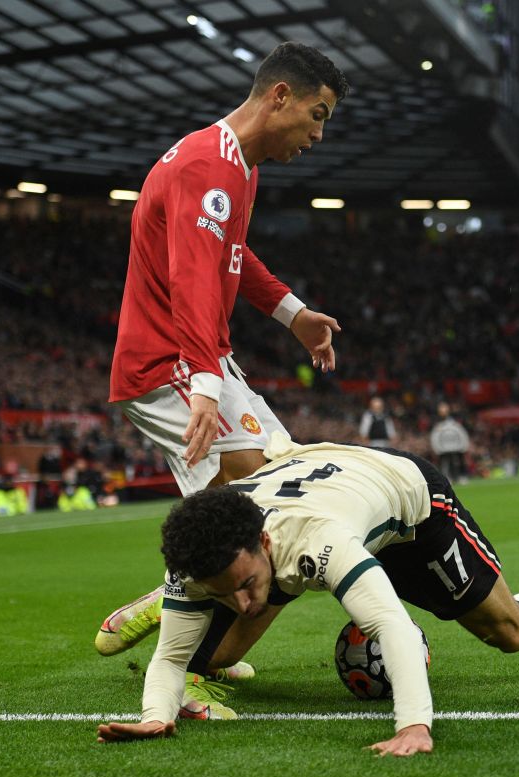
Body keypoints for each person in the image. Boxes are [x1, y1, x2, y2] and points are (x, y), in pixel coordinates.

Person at [96, 432, 519, 756]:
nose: (242, 603)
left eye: (243, 586)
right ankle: (179, 603)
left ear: (262, 544)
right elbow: (171, 659)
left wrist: (413, 725)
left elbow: (393, 626)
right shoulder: (202, 556)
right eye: (224, 593)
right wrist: (155, 715)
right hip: (305, 503)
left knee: (508, 632)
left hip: (408, 505)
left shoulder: (318, 541)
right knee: (215, 655)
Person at [97, 43, 350, 680]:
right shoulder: (205, 165)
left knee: (265, 502)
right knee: (269, 509)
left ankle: (182, 623)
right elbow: (191, 281)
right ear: (280, 96)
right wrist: (205, 386)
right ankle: (181, 663)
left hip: (199, 360)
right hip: (170, 364)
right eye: (317, 115)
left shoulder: (237, 165)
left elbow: (233, 256)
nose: (318, 135)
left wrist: (295, 314)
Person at [429, 401, 470, 483]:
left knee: (459, 462)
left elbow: (462, 434)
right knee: (445, 464)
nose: (443, 411)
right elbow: (434, 437)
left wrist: (464, 445)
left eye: (444, 408)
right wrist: (436, 448)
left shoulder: (455, 422)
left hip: (457, 447)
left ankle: (461, 476)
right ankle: (447, 477)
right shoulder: (436, 423)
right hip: (443, 449)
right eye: (441, 409)